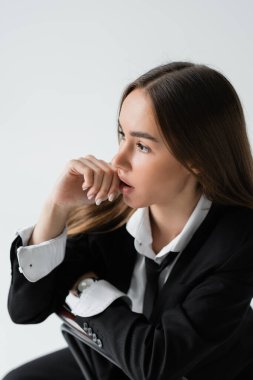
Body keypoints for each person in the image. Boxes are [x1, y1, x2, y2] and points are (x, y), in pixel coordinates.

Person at [3, 61, 253, 380]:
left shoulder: (239, 240)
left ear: (197, 160)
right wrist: (56, 208)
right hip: (110, 362)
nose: (118, 160)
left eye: (142, 146)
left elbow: (156, 363)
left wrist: (85, 289)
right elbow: (25, 310)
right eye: (122, 135)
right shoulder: (107, 209)